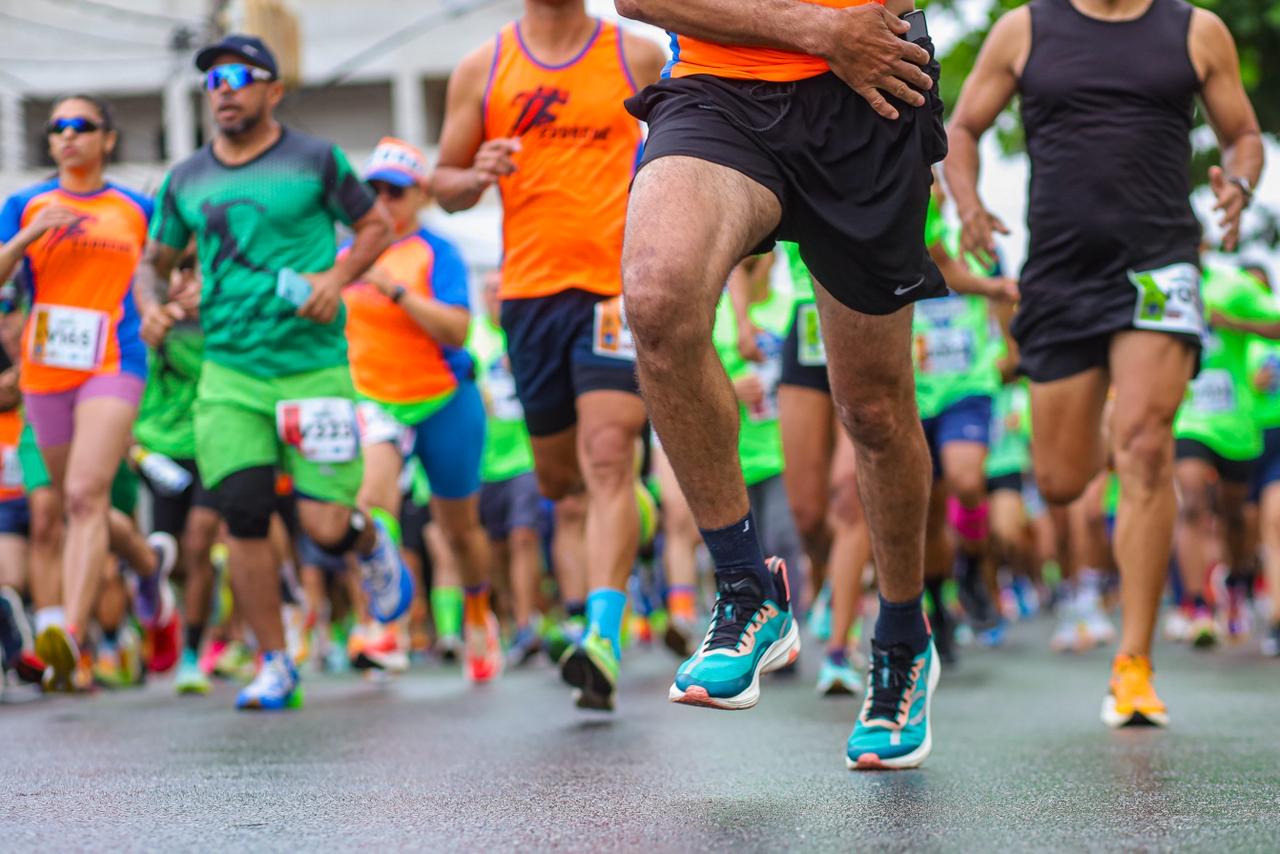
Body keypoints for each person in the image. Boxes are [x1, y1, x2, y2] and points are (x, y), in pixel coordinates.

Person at [615, 0, 948, 769]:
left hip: (868, 89)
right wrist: (817, 28)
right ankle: (744, 587)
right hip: (719, 84)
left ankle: (903, 635)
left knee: (872, 409)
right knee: (657, 298)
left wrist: (847, 35)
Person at [946, 0, 1263, 728]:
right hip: (1061, 276)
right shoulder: (1026, 29)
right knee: (1061, 481)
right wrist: (967, 202)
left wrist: (1240, 183)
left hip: (1160, 265)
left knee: (1148, 449)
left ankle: (1133, 664)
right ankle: (1118, 420)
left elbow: (1244, 134)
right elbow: (963, 128)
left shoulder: (1195, 30)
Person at [135, 35, 409, 711]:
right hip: (229, 374)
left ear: (273, 90)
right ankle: (276, 663)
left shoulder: (315, 159)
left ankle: (368, 538)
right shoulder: (186, 178)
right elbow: (153, 262)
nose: (224, 89)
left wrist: (335, 278)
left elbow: (374, 227)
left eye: (239, 76)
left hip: (311, 368)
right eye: (213, 80)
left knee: (323, 526)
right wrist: (152, 308)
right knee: (243, 515)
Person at [435, 0, 666, 711]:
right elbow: (443, 185)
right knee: (561, 480)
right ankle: (637, 510)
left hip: (613, 291)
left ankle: (601, 637)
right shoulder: (483, 66)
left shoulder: (637, 54)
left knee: (608, 454)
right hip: (529, 297)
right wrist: (475, 174)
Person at [0, 94, 174, 691]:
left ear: (108, 139)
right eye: (58, 128)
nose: (68, 135)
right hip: (47, 367)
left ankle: (69, 634)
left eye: (82, 126)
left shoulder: (136, 207)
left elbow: (169, 268)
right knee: (76, 503)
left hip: (115, 359)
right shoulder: (24, 204)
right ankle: (149, 564)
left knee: (81, 496)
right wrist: (29, 236)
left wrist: (168, 304)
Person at [342, 136, 499, 683]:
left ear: (420, 196)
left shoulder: (439, 251)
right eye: (375, 190)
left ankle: (478, 611)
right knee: (369, 506)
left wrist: (396, 292)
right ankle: (385, 625)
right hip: (376, 400)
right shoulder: (347, 255)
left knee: (458, 530)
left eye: (397, 191)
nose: (384, 201)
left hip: (442, 398)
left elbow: (458, 330)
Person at [132, 246, 222, 695]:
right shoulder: (146, 315)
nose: (186, 281)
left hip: (212, 443)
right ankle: (159, 604)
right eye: (178, 271)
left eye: (195, 270)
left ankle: (192, 653)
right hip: (160, 449)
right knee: (166, 554)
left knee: (200, 542)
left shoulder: (224, 315)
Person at [468, 271, 547, 668]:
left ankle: (527, 622)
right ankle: (508, 617)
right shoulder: (470, 336)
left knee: (523, 537)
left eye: (502, 290)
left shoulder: (525, 330)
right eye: (490, 291)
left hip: (524, 455)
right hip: (481, 461)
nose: (496, 297)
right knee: (495, 548)